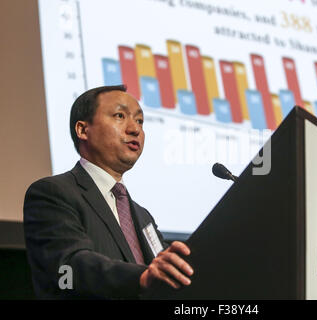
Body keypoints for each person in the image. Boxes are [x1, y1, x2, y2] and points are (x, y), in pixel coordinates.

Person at [23, 85, 194, 299]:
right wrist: (140, 277)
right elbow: (67, 268)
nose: (135, 129)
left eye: (140, 121)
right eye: (120, 116)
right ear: (83, 130)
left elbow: (164, 276)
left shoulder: (142, 217)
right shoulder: (53, 193)